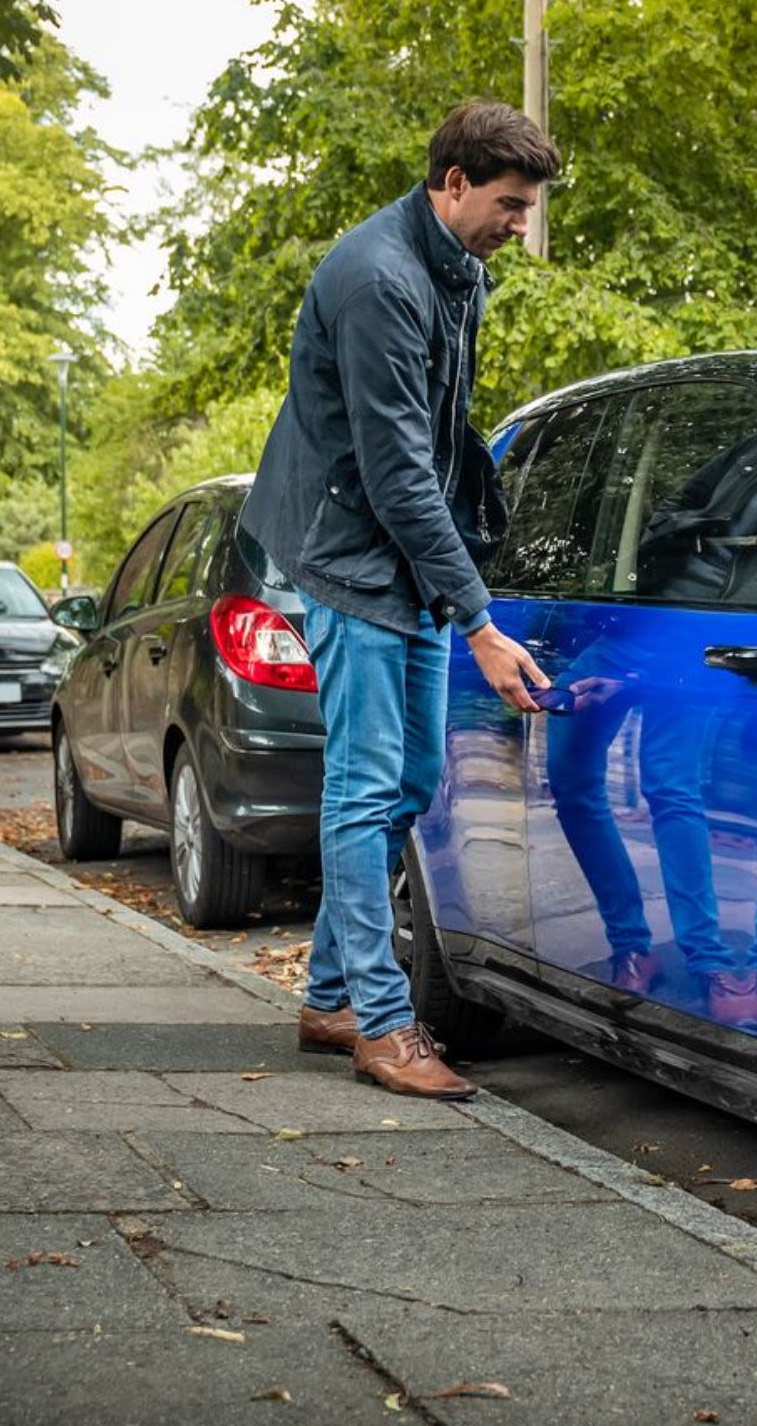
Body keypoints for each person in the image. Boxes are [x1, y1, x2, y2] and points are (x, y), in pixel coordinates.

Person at [236, 100, 560, 1099]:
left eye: (529, 207)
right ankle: (379, 1022)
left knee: (412, 779)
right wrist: (481, 623)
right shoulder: (379, 276)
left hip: (404, 556)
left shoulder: (452, 266)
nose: (521, 225)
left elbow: (440, 434)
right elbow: (394, 470)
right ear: (452, 183)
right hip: (349, 551)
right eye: (509, 205)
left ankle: (332, 994)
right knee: (367, 786)